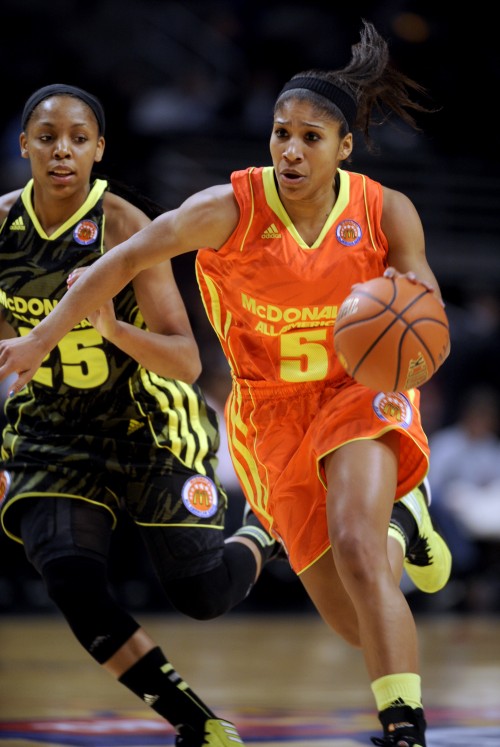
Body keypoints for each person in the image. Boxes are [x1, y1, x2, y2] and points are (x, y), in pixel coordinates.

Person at [0, 21, 452, 746]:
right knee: (352, 611)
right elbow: (118, 263)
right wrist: (43, 335)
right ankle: (410, 518)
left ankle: (404, 727)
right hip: (270, 412)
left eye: (310, 137)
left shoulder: (384, 210)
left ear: (344, 148)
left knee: (358, 548)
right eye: (280, 133)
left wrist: (413, 338)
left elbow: (426, 316)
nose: (291, 149)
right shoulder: (229, 210)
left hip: (357, 389)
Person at [0, 83, 288, 747]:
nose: (62, 150)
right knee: (70, 576)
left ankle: (268, 526)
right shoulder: (3, 230)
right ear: (24, 147)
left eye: (78, 138)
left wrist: (111, 329)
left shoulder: (126, 226)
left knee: (203, 594)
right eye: (47, 137)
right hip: (54, 431)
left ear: (99, 149)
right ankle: (199, 723)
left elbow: (186, 359)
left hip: (147, 423)